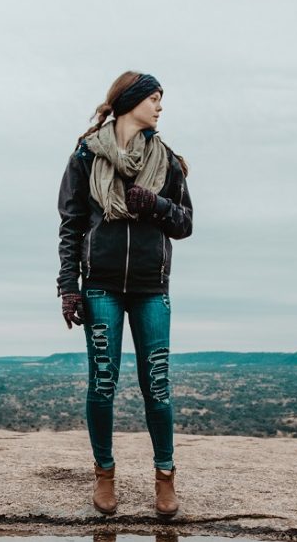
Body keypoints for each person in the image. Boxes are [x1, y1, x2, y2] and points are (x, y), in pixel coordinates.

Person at [56, 70, 194, 517]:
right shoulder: (85, 158)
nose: (159, 106)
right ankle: (104, 475)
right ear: (131, 100)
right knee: (102, 384)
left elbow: (185, 224)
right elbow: (72, 225)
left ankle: (166, 478)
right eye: (154, 98)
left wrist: (154, 204)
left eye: (161, 99)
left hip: (152, 289)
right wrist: (68, 287)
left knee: (157, 386)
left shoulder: (167, 162)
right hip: (100, 289)